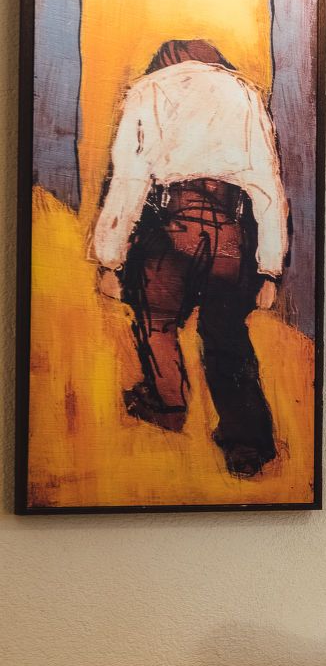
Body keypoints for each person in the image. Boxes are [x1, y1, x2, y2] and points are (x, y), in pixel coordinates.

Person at [89, 38, 288, 478]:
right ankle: (247, 445)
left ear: (164, 61)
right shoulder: (245, 94)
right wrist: (269, 268)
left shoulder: (148, 90)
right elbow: (266, 185)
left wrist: (109, 258)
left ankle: (168, 403)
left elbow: (129, 178)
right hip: (231, 231)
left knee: (157, 319)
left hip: (169, 222)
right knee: (226, 335)